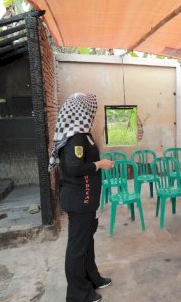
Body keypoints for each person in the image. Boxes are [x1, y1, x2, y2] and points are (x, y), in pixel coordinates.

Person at [49, 93, 114, 302]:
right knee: (77, 246)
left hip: (86, 199)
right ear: (80, 111)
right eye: (89, 109)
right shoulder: (75, 137)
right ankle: (78, 293)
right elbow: (74, 168)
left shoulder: (83, 133)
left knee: (87, 240)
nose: (92, 112)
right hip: (80, 200)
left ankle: (92, 278)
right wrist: (100, 164)